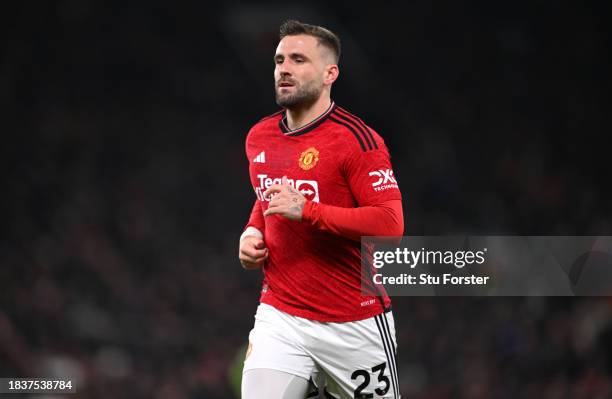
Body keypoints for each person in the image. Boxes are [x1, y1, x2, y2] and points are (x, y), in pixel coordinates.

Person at [239, 20, 404, 398]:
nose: (284, 68)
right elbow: (267, 196)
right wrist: (253, 231)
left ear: (331, 73)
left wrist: (310, 211)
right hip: (280, 315)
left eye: (299, 59)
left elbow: (391, 225)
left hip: (353, 322)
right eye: (280, 59)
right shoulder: (259, 136)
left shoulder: (357, 140)